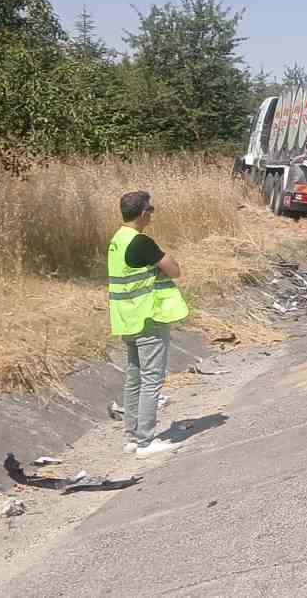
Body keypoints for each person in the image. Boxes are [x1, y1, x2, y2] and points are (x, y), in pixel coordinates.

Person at [108, 191, 190, 458]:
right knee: (152, 379)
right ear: (143, 213)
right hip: (148, 318)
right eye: (150, 209)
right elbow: (175, 270)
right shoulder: (141, 242)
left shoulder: (117, 240)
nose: (151, 213)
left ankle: (132, 437)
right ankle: (145, 441)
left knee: (133, 380)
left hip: (127, 319)